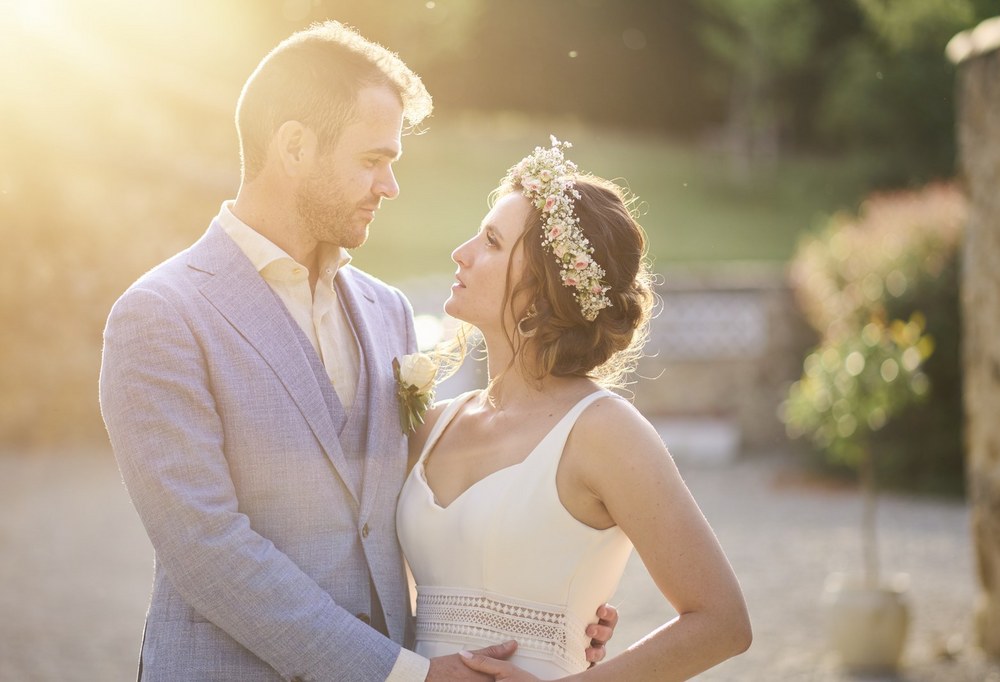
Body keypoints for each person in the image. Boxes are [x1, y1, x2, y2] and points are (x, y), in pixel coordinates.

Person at [99, 23, 615, 682]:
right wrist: (404, 675)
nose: (390, 185)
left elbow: (415, 506)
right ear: (294, 147)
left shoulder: (388, 312)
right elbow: (206, 552)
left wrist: (544, 608)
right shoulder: (160, 317)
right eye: (373, 160)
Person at [397, 138, 752, 680]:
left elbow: (722, 622)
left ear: (542, 291)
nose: (461, 252)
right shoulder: (432, 425)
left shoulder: (604, 432)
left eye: (492, 241)